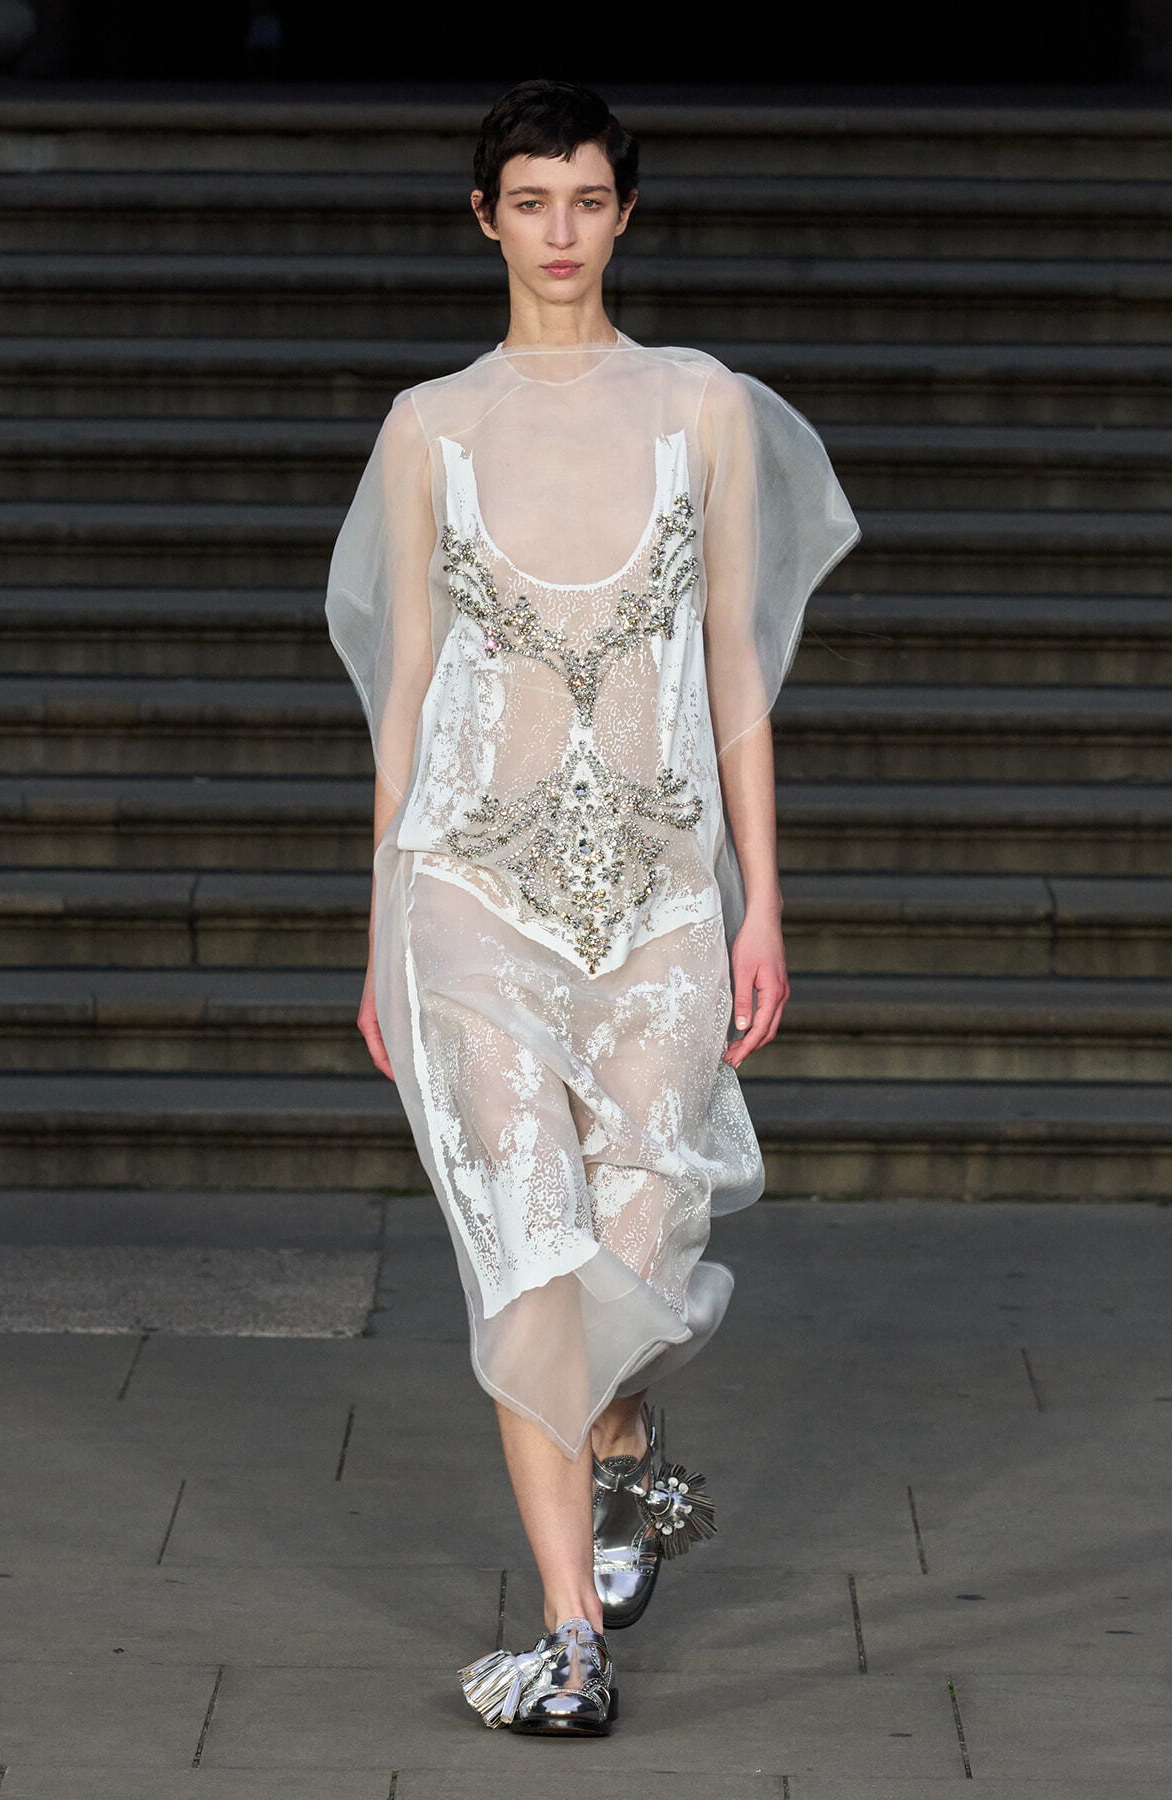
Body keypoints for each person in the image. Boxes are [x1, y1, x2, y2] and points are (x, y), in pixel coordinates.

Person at [326, 78, 859, 1737]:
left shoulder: (701, 408)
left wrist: (764, 901)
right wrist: (379, 924)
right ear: (484, 218)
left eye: (586, 200)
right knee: (527, 1261)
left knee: (640, 1248)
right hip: (466, 891)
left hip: (662, 899)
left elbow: (736, 674)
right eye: (529, 201)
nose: (559, 231)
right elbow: (407, 691)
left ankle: (619, 1433)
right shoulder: (428, 427)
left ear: (624, 214)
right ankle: (570, 1636)